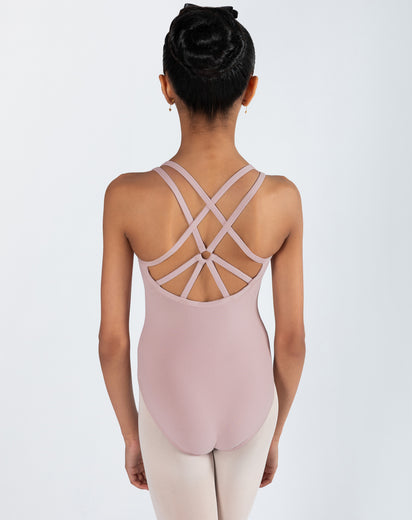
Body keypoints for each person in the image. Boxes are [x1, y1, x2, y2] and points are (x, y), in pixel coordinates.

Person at [98, 3, 305, 519]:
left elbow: (112, 342)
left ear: (167, 87)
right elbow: (292, 342)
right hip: (252, 400)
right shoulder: (281, 200)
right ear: (249, 90)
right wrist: (274, 431)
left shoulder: (126, 197)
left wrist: (132, 435)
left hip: (169, 402)